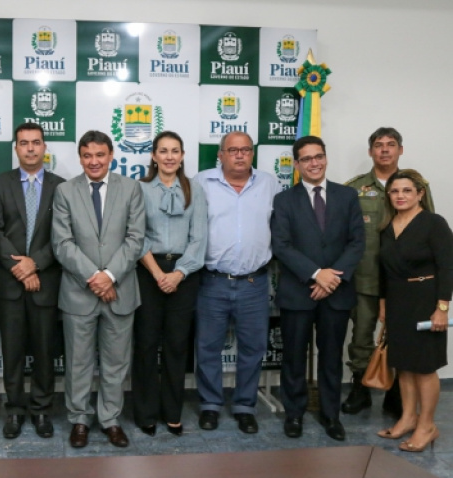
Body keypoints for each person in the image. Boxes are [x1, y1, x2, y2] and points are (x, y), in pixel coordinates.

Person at [52, 130, 145, 448]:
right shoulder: (65, 191)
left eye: (100, 155)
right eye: (87, 155)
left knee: (116, 362)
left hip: (120, 292)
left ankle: (110, 419)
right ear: (80, 157)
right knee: (78, 361)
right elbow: (62, 243)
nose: (94, 161)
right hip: (79, 293)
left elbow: (135, 239)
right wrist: (96, 277)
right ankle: (79, 419)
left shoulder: (132, 188)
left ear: (111, 155)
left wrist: (110, 276)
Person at [271, 136, 364, 441]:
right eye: (307, 159)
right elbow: (281, 246)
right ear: (296, 164)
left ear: (326, 158)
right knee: (294, 357)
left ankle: (330, 414)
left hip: (336, 293)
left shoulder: (348, 196)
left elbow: (356, 243)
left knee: (331, 357)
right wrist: (315, 274)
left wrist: (331, 278)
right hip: (299, 292)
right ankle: (294, 414)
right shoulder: (284, 200)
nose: (314, 163)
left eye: (319, 156)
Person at [343, 128, 434, 417]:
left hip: (404, 281)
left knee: (401, 337)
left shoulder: (416, 185)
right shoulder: (354, 188)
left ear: (400, 150)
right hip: (365, 278)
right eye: (378, 146)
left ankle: (397, 393)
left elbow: (427, 228)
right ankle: (360, 388)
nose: (384, 150)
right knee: (361, 337)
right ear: (370, 152)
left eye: (391, 145)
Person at [193, 131, 280, 434]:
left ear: (252, 154)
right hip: (212, 281)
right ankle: (210, 405)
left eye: (245, 150)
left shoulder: (269, 184)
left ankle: (245, 406)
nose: (240, 155)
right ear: (221, 155)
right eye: (233, 150)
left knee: (253, 348)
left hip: (254, 283)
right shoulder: (201, 182)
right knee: (207, 347)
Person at [0, 123, 65, 439]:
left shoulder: (62, 187)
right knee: (13, 352)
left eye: (36, 143)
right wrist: (20, 268)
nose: (31, 148)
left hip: (46, 282)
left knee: (46, 352)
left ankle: (42, 410)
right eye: (24, 143)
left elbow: (64, 234)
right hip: (9, 283)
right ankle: (16, 411)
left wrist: (36, 264)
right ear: (16, 148)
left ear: (44, 148)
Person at [133, 131, 206, 437]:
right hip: (148, 272)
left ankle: (172, 412)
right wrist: (157, 273)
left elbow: (199, 237)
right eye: (163, 151)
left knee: (177, 346)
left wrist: (178, 274)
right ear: (153, 155)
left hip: (184, 276)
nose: (169, 156)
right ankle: (146, 413)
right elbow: (136, 236)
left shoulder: (195, 190)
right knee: (146, 345)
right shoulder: (139, 189)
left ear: (183, 155)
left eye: (175, 150)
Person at [375, 169, 452, 452]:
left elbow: (447, 267)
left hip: (425, 300)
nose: (400, 196)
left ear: (419, 194)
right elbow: (383, 271)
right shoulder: (386, 227)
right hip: (397, 302)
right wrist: (383, 304)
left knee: (424, 367)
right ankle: (408, 418)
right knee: (403, 365)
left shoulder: (433, 223)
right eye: (395, 191)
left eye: (407, 190)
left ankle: (427, 426)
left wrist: (442, 308)